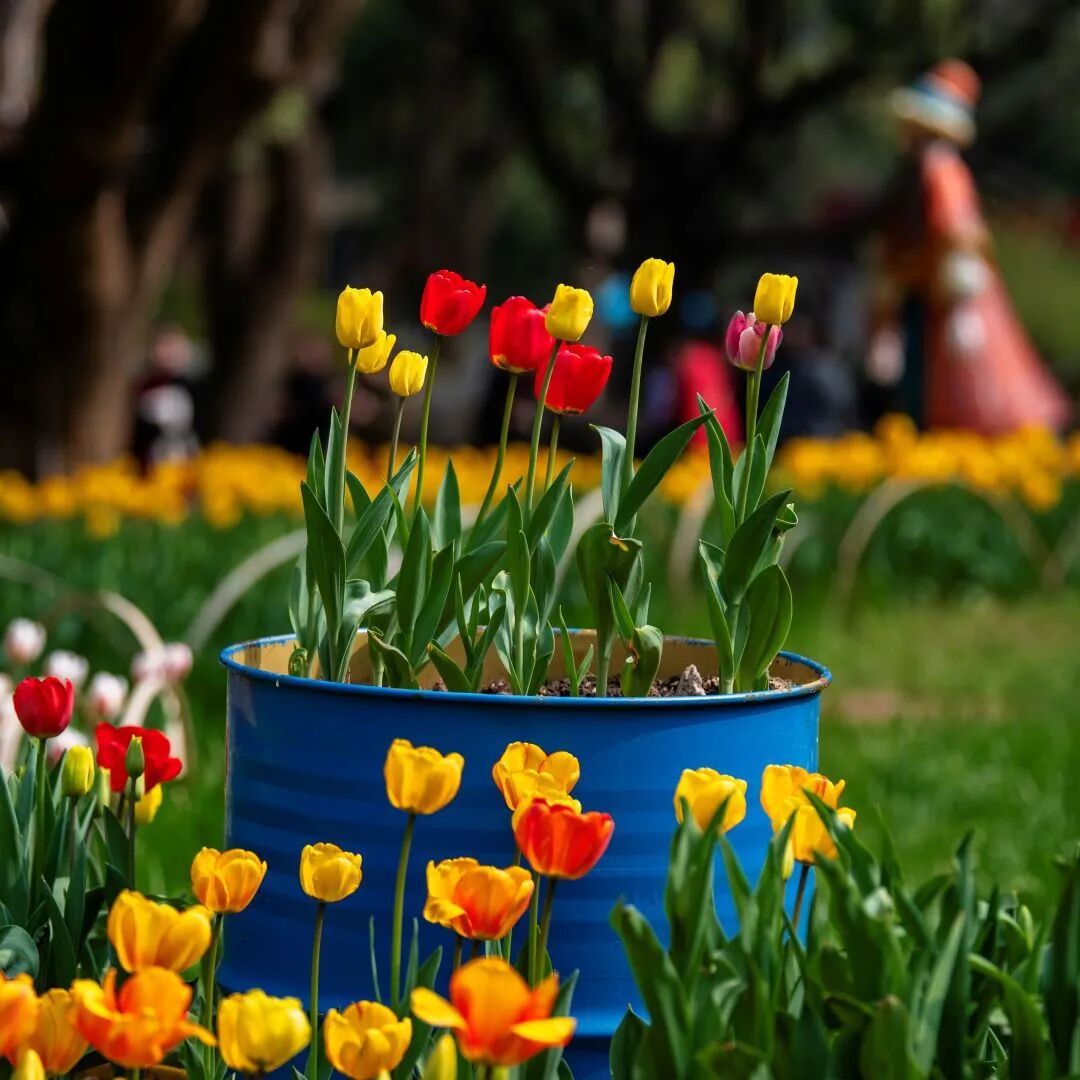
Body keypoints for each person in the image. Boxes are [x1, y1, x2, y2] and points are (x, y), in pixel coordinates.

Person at [868, 61, 1071, 434]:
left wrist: (939, 290)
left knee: (939, 386)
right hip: (925, 293)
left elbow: (956, 235)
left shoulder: (939, 171)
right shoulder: (923, 171)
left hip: (940, 298)